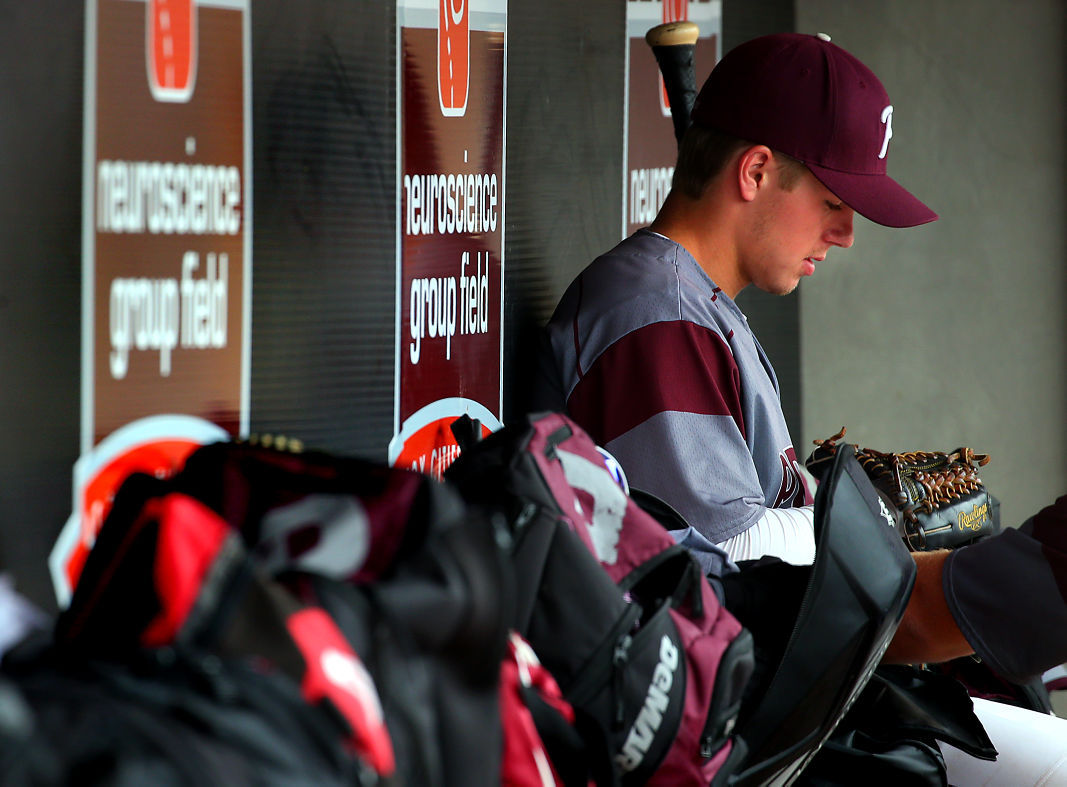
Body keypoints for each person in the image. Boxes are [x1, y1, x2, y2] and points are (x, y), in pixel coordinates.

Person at [533, 31, 1067, 784]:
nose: (845, 234)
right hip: (724, 721)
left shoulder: (697, 303)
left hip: (784, 692)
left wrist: (860, 525)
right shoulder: (654, 313)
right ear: (753, 170)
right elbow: (721, 574)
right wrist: (878, 536)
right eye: (832, 202)